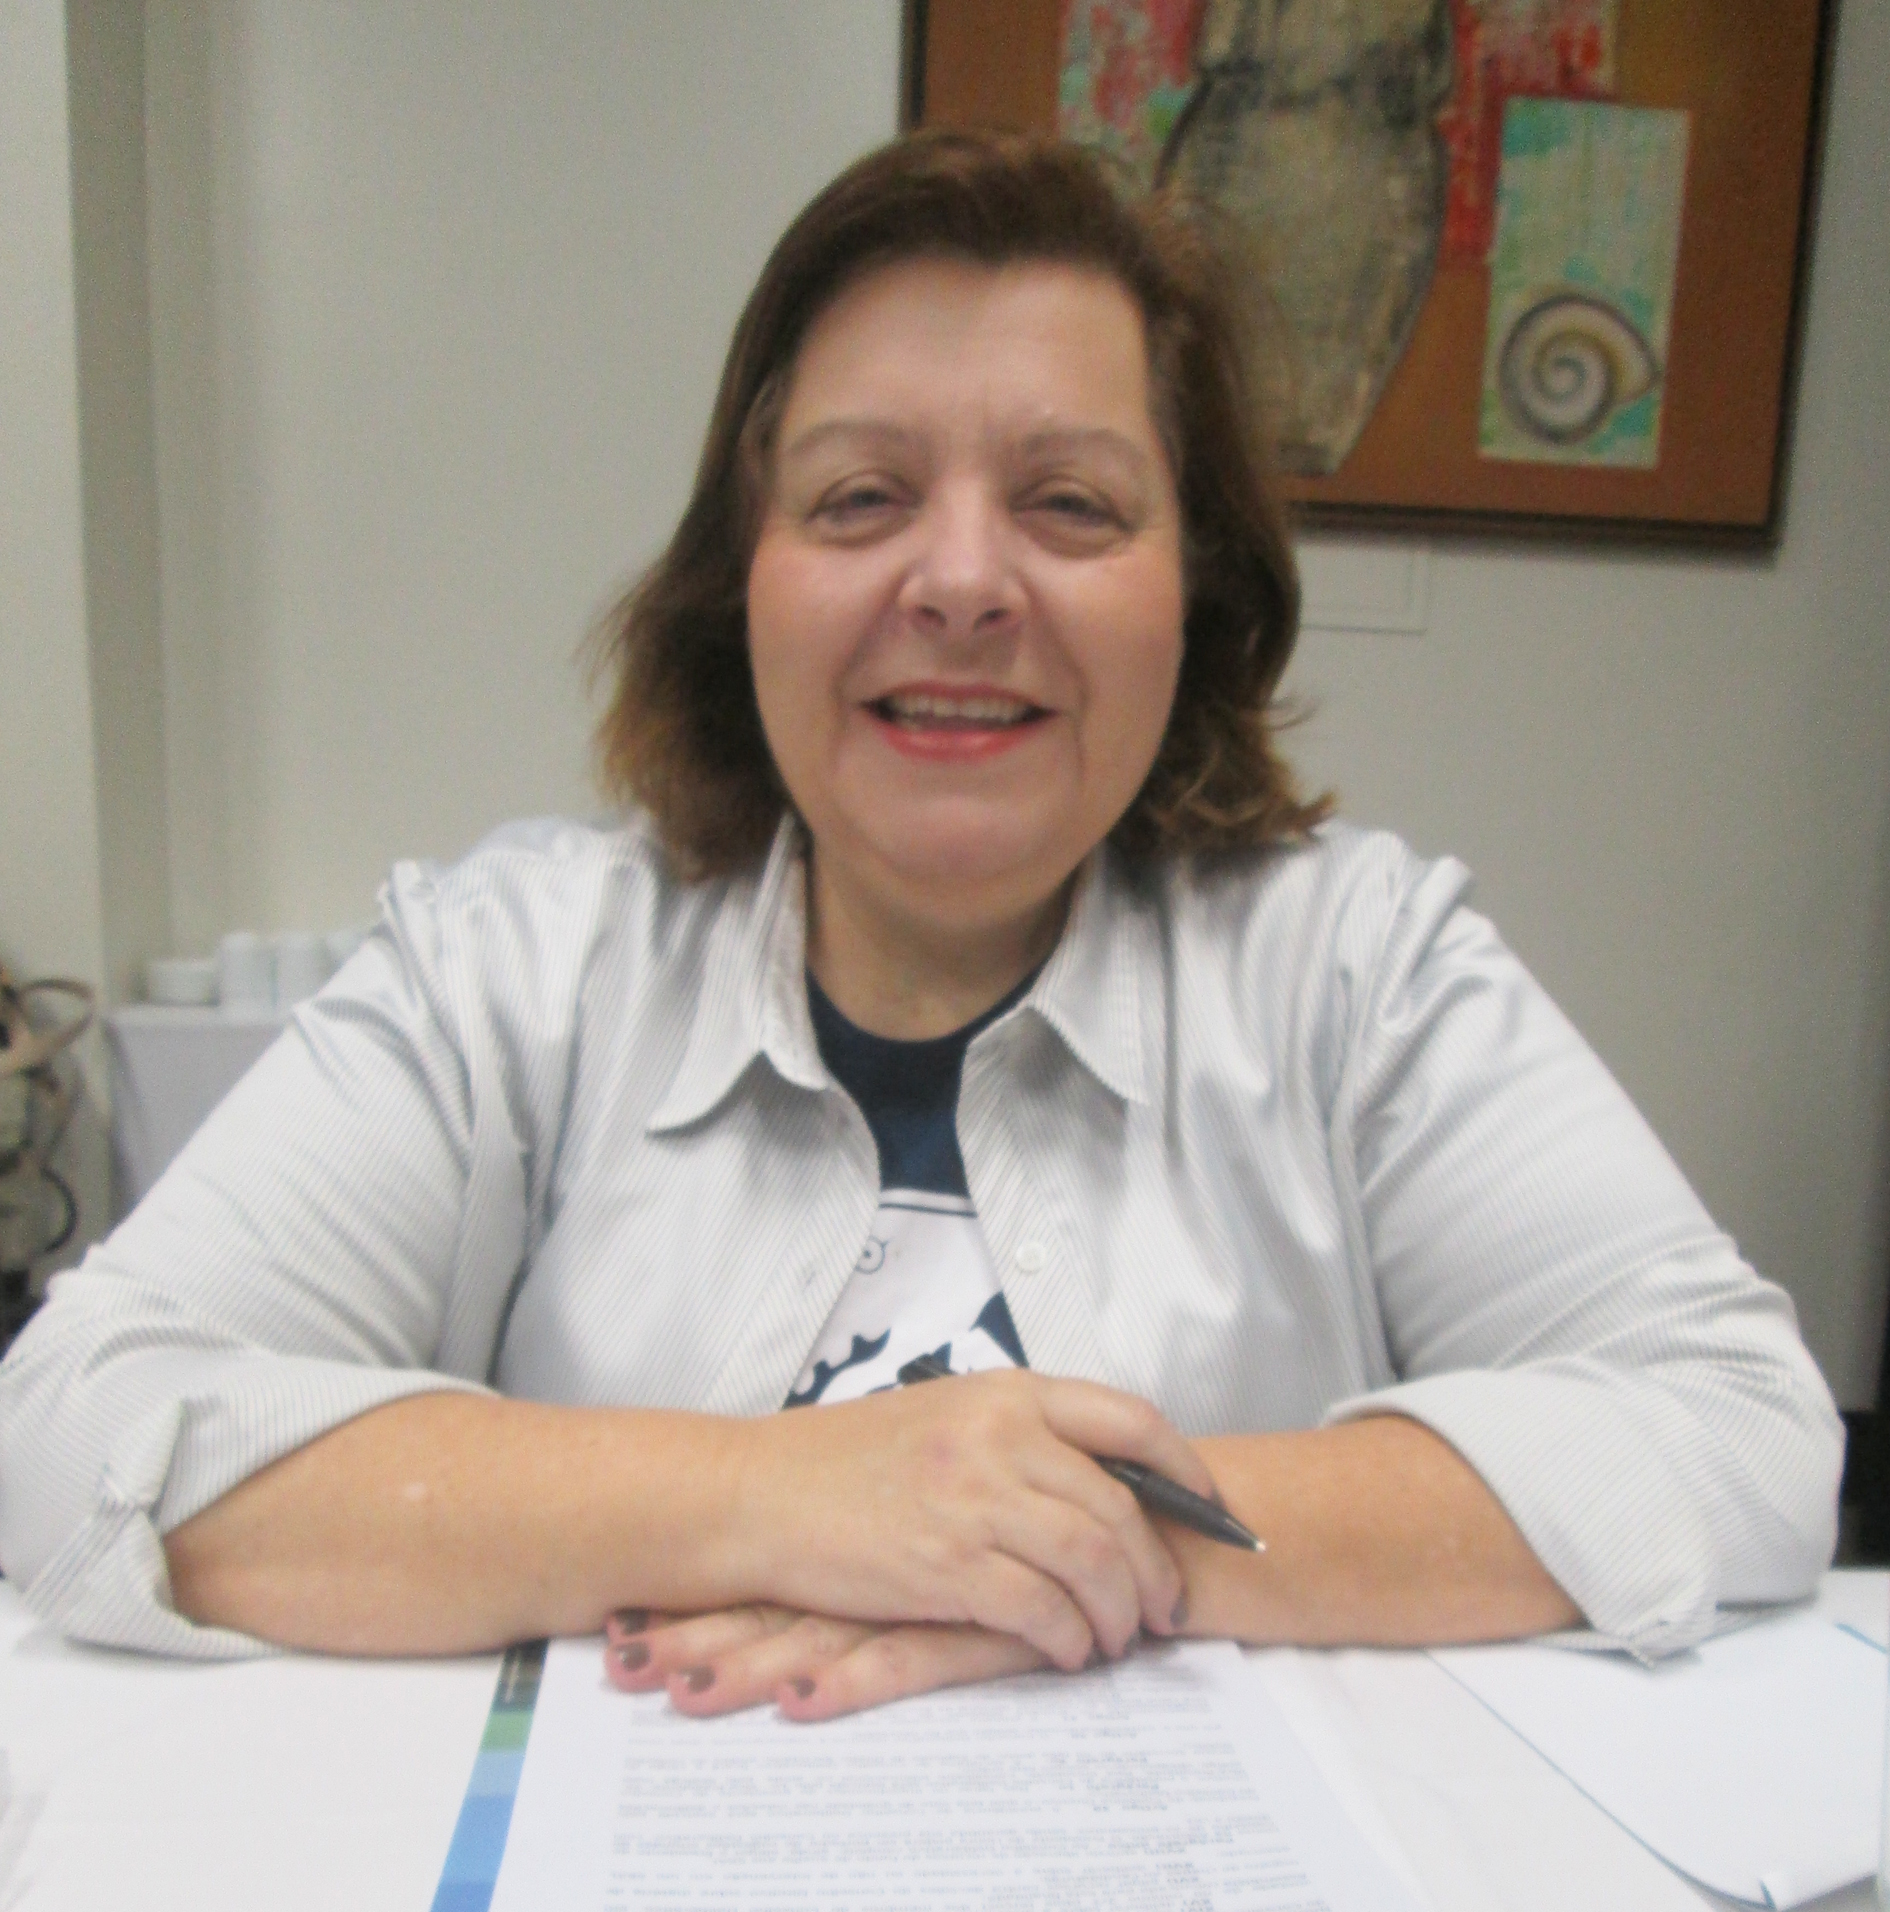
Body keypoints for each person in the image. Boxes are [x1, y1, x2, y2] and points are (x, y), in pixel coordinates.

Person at [0, 133, 1840, 1719]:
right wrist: (784, 1500)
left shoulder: (1361, 974)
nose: (960, 582)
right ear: (743, 579)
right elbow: (79, 1424)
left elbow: (1742, 1431)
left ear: (1191, 590)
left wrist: (1077, 1547)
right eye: (862, 497)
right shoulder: (510, 971)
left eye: (1070, 503)